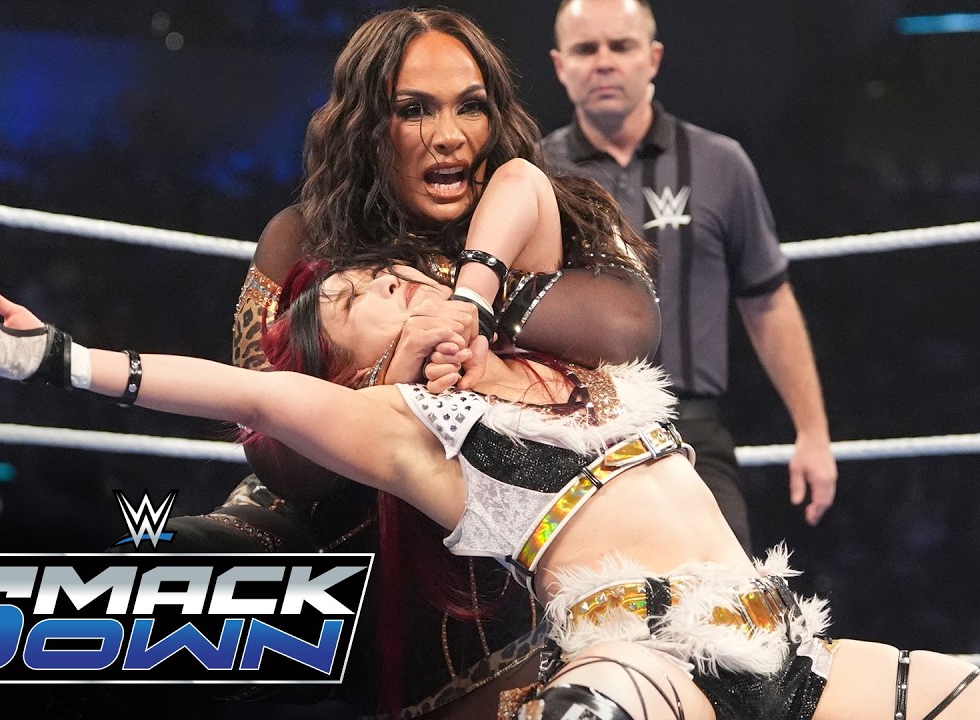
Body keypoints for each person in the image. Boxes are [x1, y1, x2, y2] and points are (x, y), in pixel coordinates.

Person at [0, 156, 980, 720]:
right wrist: (55, 361)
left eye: (386, 271)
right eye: (356, 297)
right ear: (353, 364)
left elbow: (526, 181)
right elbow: (244, 394)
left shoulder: (549, 353)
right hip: (643, 668)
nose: (385, 281)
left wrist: (471, 291)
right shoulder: (398, 424)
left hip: (781, 648)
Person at [218, 8, 665, 719]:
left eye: (470, 106)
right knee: (166, 579)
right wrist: (389, 377)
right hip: (337, 517)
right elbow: (271, 450)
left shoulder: (562, 209)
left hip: (506, 539)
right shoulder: (302, 237)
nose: (449, 134)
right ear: (368, 126)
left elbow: (627, 327)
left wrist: (462, 301)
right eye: (414, 110)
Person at [541, 0, 837, 552]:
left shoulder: (720, 163)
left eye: (620, 46)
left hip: (692, 426)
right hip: (574, 431)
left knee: (728, 593)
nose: (604, 62)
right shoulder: (535, 176)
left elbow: (768, 301)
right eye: (586, 49)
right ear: (561, 65)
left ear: (653, 58)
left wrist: (813, 433)